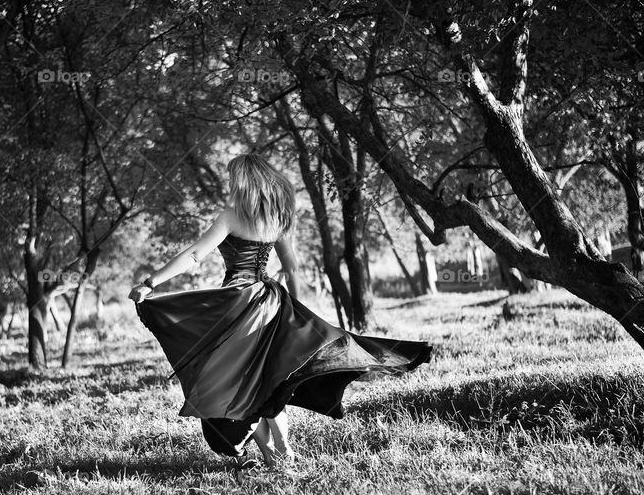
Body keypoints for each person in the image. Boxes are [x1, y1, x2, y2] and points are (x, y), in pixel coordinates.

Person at [130, 154, 431, 469]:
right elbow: (292, 267)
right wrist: (296, 312)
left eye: (233, 176)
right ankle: (281, 451)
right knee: (272, 382)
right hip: (274, 303)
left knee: (243, 385)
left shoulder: (231, 216)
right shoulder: (280, 217)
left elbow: (194, 255)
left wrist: (152, 283)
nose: (230, 182)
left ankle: (273, 454)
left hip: (237, 307)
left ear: (244, 181)